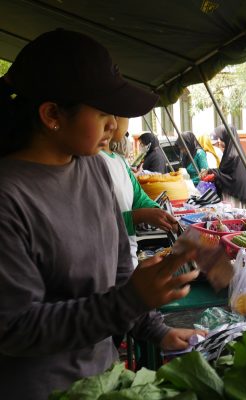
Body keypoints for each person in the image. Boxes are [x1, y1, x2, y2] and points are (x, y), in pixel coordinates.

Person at [0, 29, 201, 398]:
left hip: (103, 381)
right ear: (52, 115)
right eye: (104, 112)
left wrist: (157, 330)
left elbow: (118, 274)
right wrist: (130, 300)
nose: (115, 123)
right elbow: (14, 327)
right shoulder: (9, 196)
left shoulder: (94, 168)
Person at [99, 117, 179, 267]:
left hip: (127, 256)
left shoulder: (119, 161)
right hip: (104, 261)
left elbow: (138, 197)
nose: (113, 123)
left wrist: (156, 211)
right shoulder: (91, 162)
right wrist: (141, 216)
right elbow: (96, 222)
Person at [201, 124, 246, 207]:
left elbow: (232, 179)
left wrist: (213, 172)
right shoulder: (234, 152)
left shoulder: (232, 155)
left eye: (221, 137)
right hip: (237, 192)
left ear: (227, 137)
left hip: (234, 195)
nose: (219, 141)